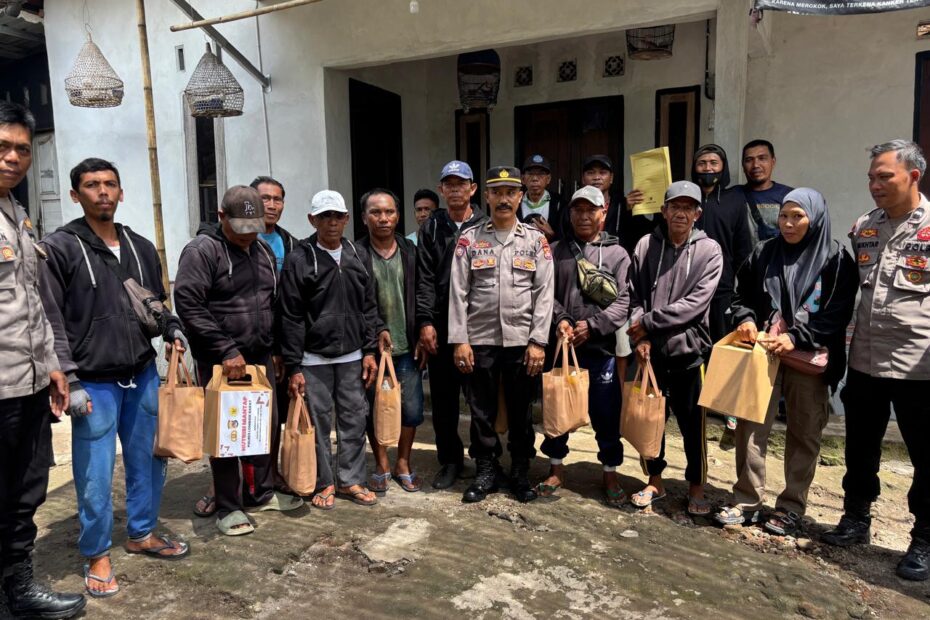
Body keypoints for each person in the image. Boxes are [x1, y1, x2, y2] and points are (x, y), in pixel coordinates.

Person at [41, 158, 190, 597]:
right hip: (93, 381)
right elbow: (50, 319)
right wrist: (70, 378)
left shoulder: (141, 245)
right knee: (94, 474)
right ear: (75, 195)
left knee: (149, 459)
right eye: (91, 185)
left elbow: (154, 302)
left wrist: (172, 327)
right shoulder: (61, 248)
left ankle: (142, 532)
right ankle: (96, 553)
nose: (102, 191)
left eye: (110, 184)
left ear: (121, 193)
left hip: (141, 374)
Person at [714, 188, 857, 535]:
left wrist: (795, 337)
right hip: (765, 352)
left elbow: (836, 314)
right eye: (784, 216)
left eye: (798, 217)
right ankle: (747, 500)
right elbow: (741, 294)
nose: (789, 224)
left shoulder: (836, 260)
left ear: (815, 218)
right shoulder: (765, 252)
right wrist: (746, 319)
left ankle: (791, 506)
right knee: (750, 426)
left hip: (809, 359)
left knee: (804, 431)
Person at [821, 140, 930, 581]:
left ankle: (923, 538)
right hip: (865, 360)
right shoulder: (865, 227)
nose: (875, 185)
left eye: (884, 176)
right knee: (859, 448)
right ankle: (856, 518)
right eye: (871, 177)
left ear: (913, 176)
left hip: (919, 368)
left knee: (927, 457)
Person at [175, 185, 302, 537]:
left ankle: (261, 492)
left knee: (263, 427)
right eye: (241, 230)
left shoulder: (260, 249)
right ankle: (230, 506)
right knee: (228, 434)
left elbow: (272, 304)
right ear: (221, 218)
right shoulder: (203, 252)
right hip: (221, 361)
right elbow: (189, 304)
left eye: (255, 229)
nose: (248, 237)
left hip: (260, 357)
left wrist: (277, 349)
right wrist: (225, 348)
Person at [0, 102, 85, 619]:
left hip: (28, 385)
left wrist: (54, 363)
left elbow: (34, 300)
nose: (12, 158)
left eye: (22, 150)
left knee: (25, 493)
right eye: (2, 147)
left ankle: (18, 590)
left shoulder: (17, 214)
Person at [449, 166, 555, 504]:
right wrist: (460, 340)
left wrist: (539, 341)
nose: (504, 199)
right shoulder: (470, 239)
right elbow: (458, 292)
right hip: (479, 341)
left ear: (520, 197)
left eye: (511, 192)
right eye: (497, 192)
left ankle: (521, 469)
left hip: (522, 343)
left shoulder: (536, 241)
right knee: (480, 409)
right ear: (487, 197)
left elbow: (544, 294)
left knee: (522, 409)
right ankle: (486, 469)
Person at [279, 190, 389, 510]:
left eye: (337, 216)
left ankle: (351, 479)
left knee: (355, 419)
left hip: (353, 356)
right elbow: (290, 315)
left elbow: (369, 305)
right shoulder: (301, 258)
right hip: (313, 359)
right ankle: (324, 482)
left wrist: (369, 350)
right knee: (318, 424)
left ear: (346, 219)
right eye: (324, 216)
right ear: (312, 220)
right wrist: (294, 366)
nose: (331, 223)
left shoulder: (357, 254)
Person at [627, 181, 722, 517]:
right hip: (651, 353)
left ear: (697, 213)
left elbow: (694, 305)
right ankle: (655, 479)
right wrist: (640, 337)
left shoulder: (709, 251)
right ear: (664, 210)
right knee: (648, 419)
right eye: (674, 206)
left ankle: (697, 485)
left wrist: (648, 323)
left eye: (688, 207)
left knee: (693, 424)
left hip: (688, 351)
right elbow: (634, 295)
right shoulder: (644, 245)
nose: (681, 213)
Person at [536, 186, 631, 506]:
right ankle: (555, 467)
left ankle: (610, 470)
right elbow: (545, 295)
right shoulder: (555, 250)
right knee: (557, 409)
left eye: (591, 210)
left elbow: (625, 302)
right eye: (578, 210)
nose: (584, 216)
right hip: (562, 347)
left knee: (606, 413)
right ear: (570, 213)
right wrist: (561, 320)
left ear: (603, 213)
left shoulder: (618, 254)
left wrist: (592, 326)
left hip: (600, 349)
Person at [416, 161, 487, 489]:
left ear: (473, 189)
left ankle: (484, 459)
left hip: (480, 326)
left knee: (479, 400)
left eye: (462, 184)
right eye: (449, 184)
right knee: (444, 400)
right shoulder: (432, 226)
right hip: (443, 327)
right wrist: (426, 321)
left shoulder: (485, 225)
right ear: (442, 189)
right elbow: (425, 278)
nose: (456, 189)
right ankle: (450, 460)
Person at [357, 188, 424, 493]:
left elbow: (425, 293)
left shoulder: (411, 251)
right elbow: (355, 305)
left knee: (410, 408)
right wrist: (369, 341)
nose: (383, 219)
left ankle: (403, 462)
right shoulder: (355, 254)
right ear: (363, 218)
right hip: (372, 349)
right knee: (377, 407)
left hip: (407, 345)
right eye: (375, 212)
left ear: (398, 216)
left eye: (389, 212)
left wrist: (425, 327)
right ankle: (382, 462)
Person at [692, 144, 753, 345]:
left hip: (722, 291)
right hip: (687, 290)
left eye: (713, 163)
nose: (708, 168)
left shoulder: (735, 200)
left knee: (719, 348)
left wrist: (740, 290)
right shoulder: (687, 199)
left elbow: (743, 249)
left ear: (723, 167)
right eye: (702, 163)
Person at [741, 139, 793, 246]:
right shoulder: (732, 196)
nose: (755, 165)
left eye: (762, 158)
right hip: (743, 261)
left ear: (773, 162)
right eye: (749, 160)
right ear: (743, 165)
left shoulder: (790, 196)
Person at [519, 154, 562, 241]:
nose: (535, 178)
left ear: (548, 179)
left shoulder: (559, 204)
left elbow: (566, 239)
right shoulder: (516, 202)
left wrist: (552, 235)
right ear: (523, 179)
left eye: (541, 174)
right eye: (530, 173)